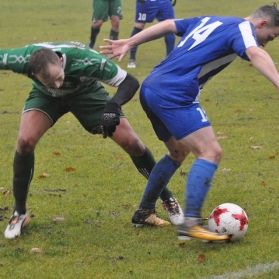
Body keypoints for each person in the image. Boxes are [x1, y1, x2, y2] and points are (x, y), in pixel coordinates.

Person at [100, 3, 279, 242]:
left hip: (152, 85)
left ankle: (144, 211)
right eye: (271, 36)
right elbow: (256, 53)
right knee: (210, 151)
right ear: (262, 23)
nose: (267, 42)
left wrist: (131, 41)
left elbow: (167, 25)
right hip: (175, 92)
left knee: (178, 151)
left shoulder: (212, 19)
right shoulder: (243, 27)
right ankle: (191, 223)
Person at [0, 41, 184, 239]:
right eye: (51, 82)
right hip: (46, 97)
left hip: (86, 93)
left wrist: (113, 106)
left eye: (59, 78)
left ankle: (167, 198)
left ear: (61, 62)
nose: (58, 85)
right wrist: (49, 87)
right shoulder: (22, 58)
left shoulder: (85, 60)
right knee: (24, 141)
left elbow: (130, 82)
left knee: (132, 143)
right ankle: (19, 213)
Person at [127, 0, 176, 69]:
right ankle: (132, 58)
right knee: (139, 26)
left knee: (170, 26)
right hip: (147, 1)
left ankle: (170, 60)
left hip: (164, 1)